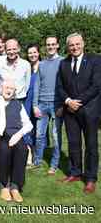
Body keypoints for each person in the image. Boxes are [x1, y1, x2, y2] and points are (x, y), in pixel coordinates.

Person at [57, 33, 101, 194]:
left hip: (89, 110)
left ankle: (90, 178)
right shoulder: (63, 63)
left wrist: (77, 102)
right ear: (67, 47)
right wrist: (68, 101)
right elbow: (60, 87)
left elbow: (96, 86)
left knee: (91, 145)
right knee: (73, 144)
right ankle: (75, 172)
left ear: (83, 44)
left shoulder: (95, 60)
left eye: (77, 44)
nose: (74, 47)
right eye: (71, 45)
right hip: (70, 112)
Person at [0, 79, 33, 203]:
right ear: (1, 88)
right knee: (4, 150)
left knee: (22, 149)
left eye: (11, 89)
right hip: (1, 135)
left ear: (14, 92)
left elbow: (29, 125)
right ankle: (4, 186)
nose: (8, 90)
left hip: (16, 135)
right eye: (6, 87)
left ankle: (15, 186)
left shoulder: (18, 105)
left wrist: (18, 135)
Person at [32, 37, 64, 174]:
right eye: (48, 45)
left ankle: (54, 164)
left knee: (56, 136)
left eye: (53, 44)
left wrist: (63, 104)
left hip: (57, 104)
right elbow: (37, 85)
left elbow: (65, 84)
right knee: (39, 135)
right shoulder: (42, 64)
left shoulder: (63, 62)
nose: (50, 46)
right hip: (42, 104)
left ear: (57, 45)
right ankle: (37, 161)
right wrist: (35, 105)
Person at [23, 44, 41, 166]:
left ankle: (37, 154)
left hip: (39, 102)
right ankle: (29, 152)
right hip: (27, 101)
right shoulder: (27, 67)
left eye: (34, 52)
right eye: (30, 53)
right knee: (28, 127)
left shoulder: (43, 67)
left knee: (38, 129)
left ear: (38, 53)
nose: (32, 55)